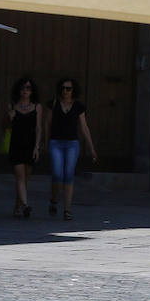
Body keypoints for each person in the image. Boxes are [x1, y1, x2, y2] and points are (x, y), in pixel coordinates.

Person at [48, 78, 97, 220]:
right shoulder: (53, 104)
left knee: (68, 175)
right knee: (57, 174)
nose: (65, 91)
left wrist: (91, 147)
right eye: (63, 88)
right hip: (56, 142)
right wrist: (45, 141)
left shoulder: (78, 106)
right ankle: (54, 199)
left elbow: (84, 127)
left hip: (72, 144)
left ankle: (67, 210)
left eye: (68, 89)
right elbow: (47, 123)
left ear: (73, 90)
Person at [5, 76, 43, 218]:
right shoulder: (12, 105)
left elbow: (39, 128)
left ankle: (17, 205)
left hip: (30, 144)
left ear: (32, 91)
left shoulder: (37, 107)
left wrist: (37, 147)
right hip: (16, 143)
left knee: (26, 178)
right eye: (22, 88)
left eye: (28, 88)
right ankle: (26, 206)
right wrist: (10, 116)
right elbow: (6, 127)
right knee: (20, 176)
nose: (25, 91)